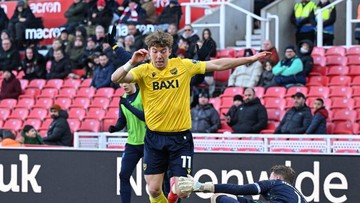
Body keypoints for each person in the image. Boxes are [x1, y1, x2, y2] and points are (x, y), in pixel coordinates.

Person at [111, 30, 270, 203]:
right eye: (155, 51)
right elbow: (116, 78)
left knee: (184, 192)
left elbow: (218, 65)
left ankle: (174, 187)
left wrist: (251, 59)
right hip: (154, 138)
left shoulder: (183, 66)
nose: (159, 56)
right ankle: (171, 188)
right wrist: (131, 62)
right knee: (154, 190)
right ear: (148, 52)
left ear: (169, 51)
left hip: (180, 139)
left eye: (163, 51)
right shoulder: (142, 70)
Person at [178, 165, 307, 203]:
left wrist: (202, 187)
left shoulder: (275, 183)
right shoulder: (300, 196)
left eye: (270, 177)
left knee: (217, 196)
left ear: (278, 177)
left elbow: (240, 189)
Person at [108, 83, 146, 203]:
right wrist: (115, 128)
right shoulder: (123, 99)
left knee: (155, 178)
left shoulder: (143, 95)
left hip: (148, 144)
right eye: (121, 82)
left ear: (133, 81)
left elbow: (146, 117)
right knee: (123, 175)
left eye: (126, 81)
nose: (124, 85)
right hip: (132, 144)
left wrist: (128, 106)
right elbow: (122, 120)